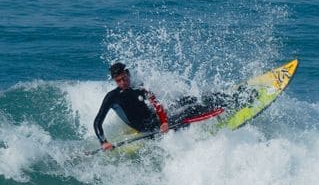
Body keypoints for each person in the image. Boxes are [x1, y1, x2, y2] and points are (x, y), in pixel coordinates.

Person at [93, 62, 231, 150]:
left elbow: (156, 104)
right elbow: (97, 122)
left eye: (125, 78)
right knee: (190, 110)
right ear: (115, 81)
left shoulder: (139, 87)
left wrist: (164, 121)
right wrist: (103, 142)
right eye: (119, 80)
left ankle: (227, 97)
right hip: (148, 128)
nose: (123, 82)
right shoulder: (112, 97)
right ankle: (227, 106)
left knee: (188, 99)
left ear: (128, 74)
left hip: (157, 120)